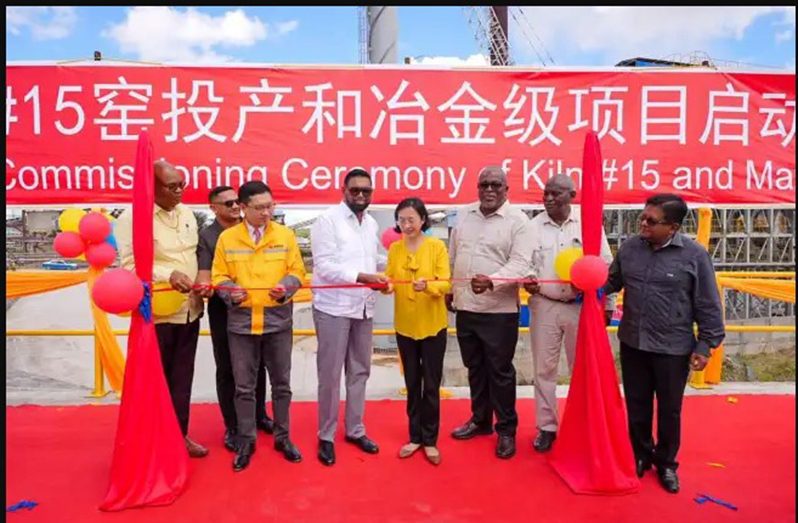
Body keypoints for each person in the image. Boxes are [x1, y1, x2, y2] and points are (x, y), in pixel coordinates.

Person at [603, 193, 725, 493]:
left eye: (651, 221)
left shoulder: (694, 256)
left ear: (672, 227)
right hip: (633, 342)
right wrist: (582, 283)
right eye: (642, 218)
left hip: (673, 348)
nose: (643, 224)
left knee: (670, 410)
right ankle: (640, 454)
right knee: (637, 405)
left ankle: (667, 463)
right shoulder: (631, 249)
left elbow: (708, 303)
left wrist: (705, 345)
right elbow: (612, 281)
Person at [116, 160, 208, 458]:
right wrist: (167, 275)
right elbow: (130, 266)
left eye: (183, 184)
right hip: (156, 316)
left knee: (182, 381)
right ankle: (149, 441)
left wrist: (202, 280)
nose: (180, 191)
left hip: (190, 310)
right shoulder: (134, 217)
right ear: (151, 187)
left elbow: (193, 255)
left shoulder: (186, 214)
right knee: (154, 383)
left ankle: (179, 436)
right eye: (172, 186)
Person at [211, 181, 305, 471]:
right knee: (244, 388)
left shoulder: (285, 236)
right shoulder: (227, 239)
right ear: (243, 207)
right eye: (260, 207)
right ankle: (246, 439)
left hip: (277, 322)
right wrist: (230, 292)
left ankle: (283, 437)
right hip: (242, 324)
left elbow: (297, 271)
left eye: (270, 206)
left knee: (282, 385)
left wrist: (286, 287)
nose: (267, 212)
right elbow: (218, 276)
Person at [523, 174, 616, 453]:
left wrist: (608, 306)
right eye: (546, 194)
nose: (549, 199)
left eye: (556, 193)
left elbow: (605, 265)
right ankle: (547, 428)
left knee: (582, 369)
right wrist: (527, 279)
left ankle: (583, 426)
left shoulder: (588, 224)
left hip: (581, 307)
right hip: (545, 304)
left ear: (572, 195)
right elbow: (524, 262)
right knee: (544, 370)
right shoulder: (532, 227)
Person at [447, 166, 534, 459]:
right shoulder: (465, 214)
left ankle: (506, 430)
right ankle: (481, 420)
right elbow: (455, 252)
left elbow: (522, 263)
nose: (489, 189)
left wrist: (493, 281)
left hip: (499, 311)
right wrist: (451, 288)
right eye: (484, 184)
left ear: (506, 190)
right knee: (475, 368)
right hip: (466, 307)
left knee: (500, 373)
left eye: (496, 184)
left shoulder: (519, 222)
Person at [310, 168, 387, 466]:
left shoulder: (369, 224)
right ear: (344, 190)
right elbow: (325, 266)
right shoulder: (327, 220)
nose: (360, 195)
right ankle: (326, 435)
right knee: (329, 375)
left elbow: (376, 258)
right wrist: (363, 277)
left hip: (364, 307)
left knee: (359, 371)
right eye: (355, 190)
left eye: (366, 191)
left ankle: (355, 429)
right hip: (333, 308)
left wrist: (396, 267)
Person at [195, 186, 274, 453]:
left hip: (257, 306)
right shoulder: (209, 236)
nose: (234, 208)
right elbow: (205, 273)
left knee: (259, 363)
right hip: (225, 311)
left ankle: (259, 415)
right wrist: (209, 286)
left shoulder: (254, 228)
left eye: (236, 203)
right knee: (229, 367)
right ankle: (233, 425)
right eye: (227, 204)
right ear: (213, 207)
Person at [382, 198, 451, 465]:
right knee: (412, 383)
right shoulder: (395, 249)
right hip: (405, 326)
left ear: (423, 219)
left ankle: (430, 439)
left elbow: (445, 282)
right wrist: (385, 286)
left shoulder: (436, 247)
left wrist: (430, 287)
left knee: (431, 385)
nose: (406, 224)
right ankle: (414, 436)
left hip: (433, 325)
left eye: (411, 219)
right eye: (401, 220)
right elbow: (389, 278)